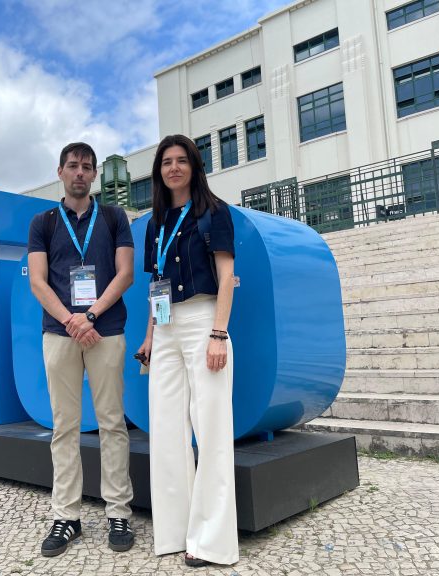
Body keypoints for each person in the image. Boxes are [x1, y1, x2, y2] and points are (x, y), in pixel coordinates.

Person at [28, 142, 136, 557]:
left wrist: (89, 316)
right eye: (72, 166)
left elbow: (125, 274)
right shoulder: (43, 222)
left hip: (105, 330)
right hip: (59, 334)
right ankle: (67, 516)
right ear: (60, 172)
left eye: (86, 167)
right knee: (65, 426)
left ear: (94, 175)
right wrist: (71, 321)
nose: (79, 173)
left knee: (112, 423)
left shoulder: (113, 217)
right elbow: (38, 281)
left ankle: (118, 512)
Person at [137, 134, 238, 567]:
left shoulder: (215, 212)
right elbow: (155, 283)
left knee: (211, 427)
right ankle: (176, 531)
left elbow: (227, 276)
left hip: (203, 321)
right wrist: (150, 335)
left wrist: (219, 333)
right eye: (166, 162)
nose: (174, 168)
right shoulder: (155, 224)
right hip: (166, 327)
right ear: (158, 171)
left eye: (182, 160)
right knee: (165, 429)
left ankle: (212, 541)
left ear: (195, 166)